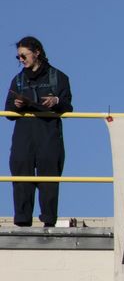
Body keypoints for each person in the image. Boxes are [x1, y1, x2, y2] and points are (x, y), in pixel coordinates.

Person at [5, 36, 73, 227]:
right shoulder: (17, 80)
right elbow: (8, 112)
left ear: (37, 53)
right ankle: (22, 220)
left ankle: (49, 221)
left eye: (24, 56)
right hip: (23, 135)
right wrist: (17, 105)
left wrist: (56, 101)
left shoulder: (58, 77)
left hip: (48, 133)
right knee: (21, 173)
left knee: (49, 177)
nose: (21, 60)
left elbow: (68, 108)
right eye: (18, 57)